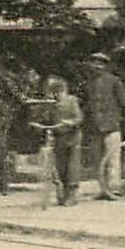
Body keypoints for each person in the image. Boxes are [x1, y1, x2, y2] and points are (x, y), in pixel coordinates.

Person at [83, 52, 125, 200]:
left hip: (111, 126)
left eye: (100, 63)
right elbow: (85, 104)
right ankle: (103, 189)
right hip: (95, 127)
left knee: (113, 158)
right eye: (94, 63)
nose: (97, 66)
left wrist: (114, 114)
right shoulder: (88, 83)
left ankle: (114, 189)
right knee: (98, 160)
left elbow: (124, 102)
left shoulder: (114, 81)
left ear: (105, 66)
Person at [45, 75, 83, 205]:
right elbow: (48, 120)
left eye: (59, 93)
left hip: (72, 137)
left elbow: (79, 118)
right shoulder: (52, 105)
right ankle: (62, 193)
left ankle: (72, 195)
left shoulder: (72, 101)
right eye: (54, 94)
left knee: (72, 166)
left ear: (64, 91)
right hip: (59, 138)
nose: (57, 96)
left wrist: (70, 122)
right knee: (60, 167)